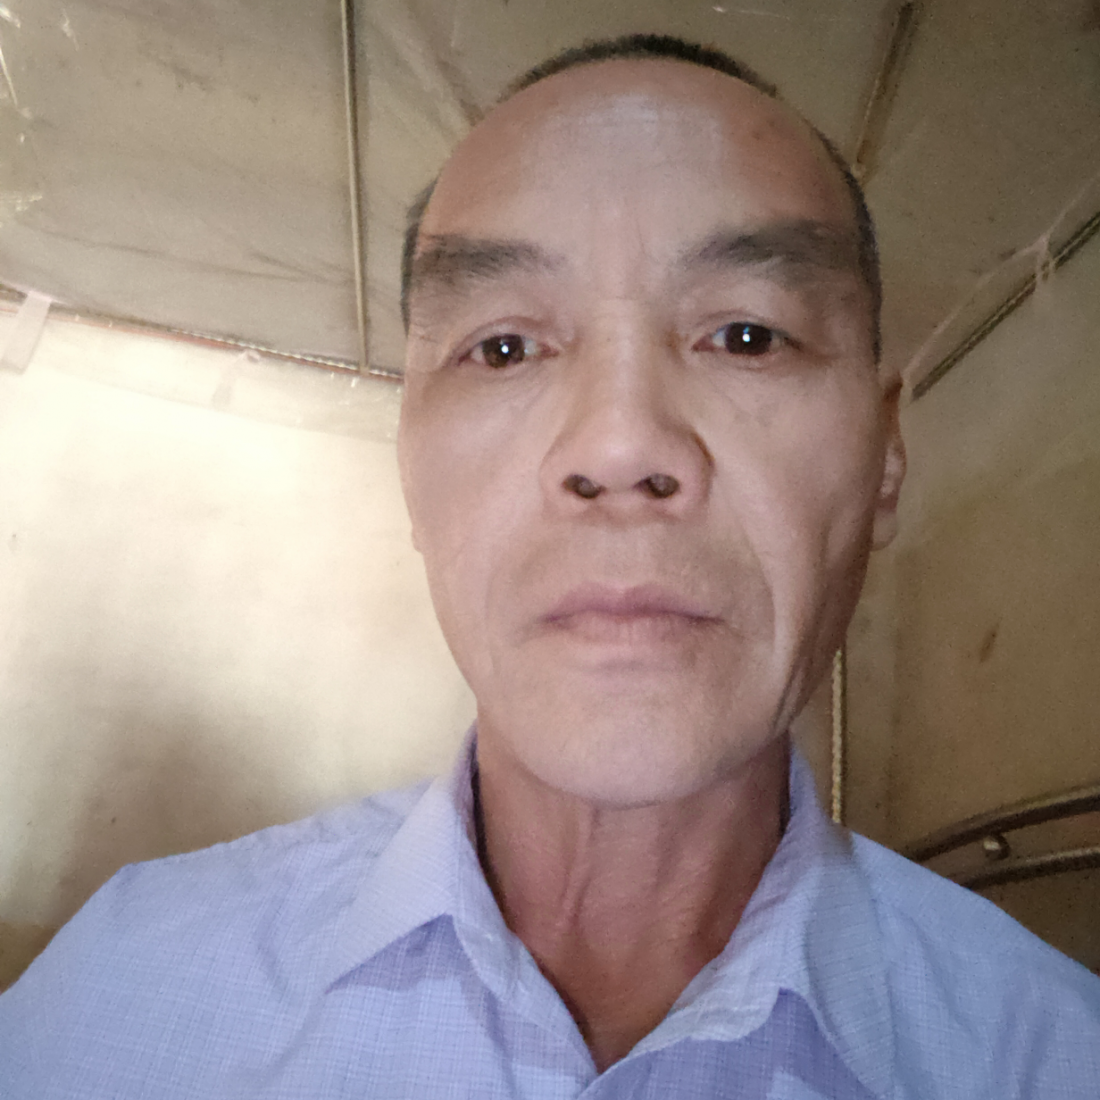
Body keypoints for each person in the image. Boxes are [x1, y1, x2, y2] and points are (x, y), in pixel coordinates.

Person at [1, 33, 1098, 1099]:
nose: (619, 447)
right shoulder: (117, 991)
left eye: (748, 336)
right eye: (503, 347)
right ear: (410, 468)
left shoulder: (1053, 1056)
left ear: (885, 461)